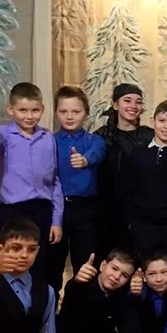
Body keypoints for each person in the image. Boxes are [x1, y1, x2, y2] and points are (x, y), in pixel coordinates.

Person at [0, 82, 63, 285]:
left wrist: (56, 220)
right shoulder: (4, 134)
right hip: (12, 212)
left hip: (42, 211)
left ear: (42, 109)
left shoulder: (47, 138)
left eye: (35, 110)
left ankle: (40, 303)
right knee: (10, 266)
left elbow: (54, 181)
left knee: (42, 266)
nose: (29, 116)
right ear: (10, 109)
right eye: (23, 110)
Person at [121, 100, 167, 283]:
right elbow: (129, 188)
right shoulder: (138, 153)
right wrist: (132, 222)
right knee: (144, 271)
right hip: (144, 225)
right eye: (162, 121)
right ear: (152, 121)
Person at [46, 85, 106, 294]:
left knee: (86, 264)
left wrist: (84, 160)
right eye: (63, 111)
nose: (69, 116)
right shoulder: (49, 141)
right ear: (56, 113)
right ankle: (51, 309)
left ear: (86, 113)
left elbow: (97, 154)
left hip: (86, 211)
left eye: (76, 111)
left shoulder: (94, 140)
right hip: (56, 211)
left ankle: (83, 308)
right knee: (52, 265)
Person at [95, 83, 154, 258]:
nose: (133, 106)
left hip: (140, 211)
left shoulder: (149, 136)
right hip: (107, 212)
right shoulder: (102, 136)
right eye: (127, 100)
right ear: (115, 105)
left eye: (138, 102)